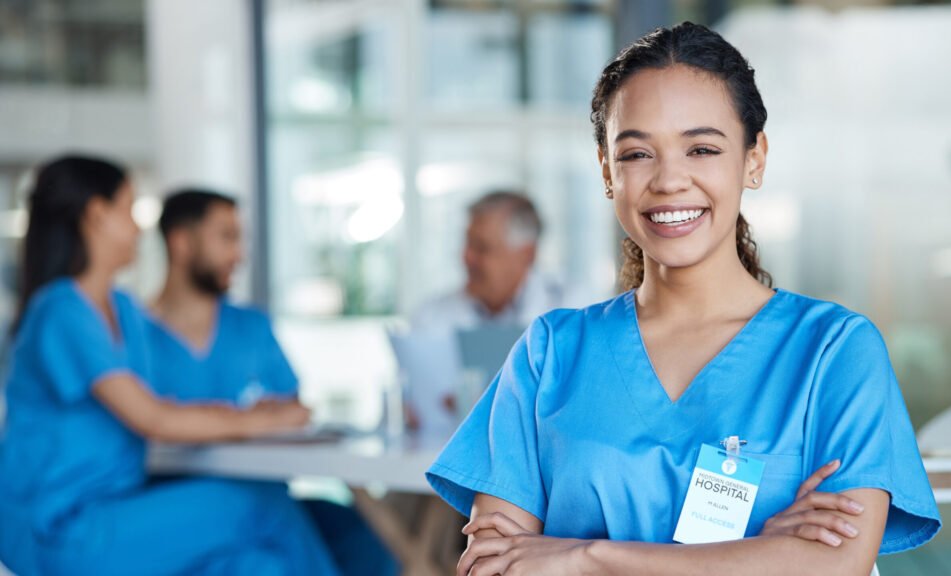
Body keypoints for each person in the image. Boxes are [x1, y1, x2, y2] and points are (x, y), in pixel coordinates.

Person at [426, 22, 941, 576]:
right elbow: (493, 566)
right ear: (607, 170)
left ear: (754, 159)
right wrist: (756, 555)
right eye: (637, 154)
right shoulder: (550, 353)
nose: (670, 180)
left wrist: (587, 555)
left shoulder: (834, 350)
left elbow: (837, 563)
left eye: (701, 148)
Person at [0, 156, 341, 576]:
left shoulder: (125, 310)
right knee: (259, 502)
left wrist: (252, 414)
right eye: (128, 210)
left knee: (256, 565)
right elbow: (153, 418)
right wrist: (261, 421)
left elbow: (167, 403)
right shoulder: (61, 311)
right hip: (60, 524)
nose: (140, 228)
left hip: (120, 507)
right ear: (96, 216)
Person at [145, 188, 398, 576]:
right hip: (179, 503)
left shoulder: (251, 326)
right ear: (180, 242)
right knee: (263, 561)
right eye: (226, 237)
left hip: (269, 494)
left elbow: (295, 410)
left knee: (365, 536)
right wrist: (250, 418)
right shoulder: (135, 337)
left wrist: (213, 420)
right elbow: (148, 425)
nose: (240, 254)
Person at [411, 191, 568, 331]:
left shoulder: (571, 307)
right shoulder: (431, 316)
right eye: (468, 244)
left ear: (527, 254)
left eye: (481, 248)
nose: (466, 257)